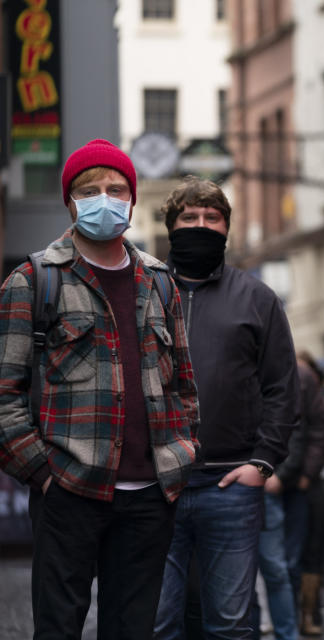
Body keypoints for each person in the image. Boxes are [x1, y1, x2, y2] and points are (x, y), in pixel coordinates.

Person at [0, 139, 199, 638]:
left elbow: (183, 382)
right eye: (91, 190)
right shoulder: (32, 281)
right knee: (58, 628)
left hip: (150, 495)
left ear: (132, 200)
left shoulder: (159, 282)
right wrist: (44, 473)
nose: (105, 199)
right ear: (70, 201)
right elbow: (3, 394)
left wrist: (184, 449)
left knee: (132, 630)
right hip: (70, 493)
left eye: (116, 189)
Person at [153, 177, 301, 639]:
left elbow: (283, 387)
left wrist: (263, 461)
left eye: (211, 218)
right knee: (157, 622)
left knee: (231, 626)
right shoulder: (146, 292)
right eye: (189, 218)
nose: (201, 225)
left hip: (231, 485)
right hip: (156, 485)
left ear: (226, 227)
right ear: (171, 227)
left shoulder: (257, 298)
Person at [262, 352, 324, 638]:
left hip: (297, 483)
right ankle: (285, 620)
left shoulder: (303, 376)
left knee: (297, 558)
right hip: (264, 480)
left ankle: (300, 617)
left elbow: (318, 431)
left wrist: (305, 475)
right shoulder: (251, 369)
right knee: (272, 562)